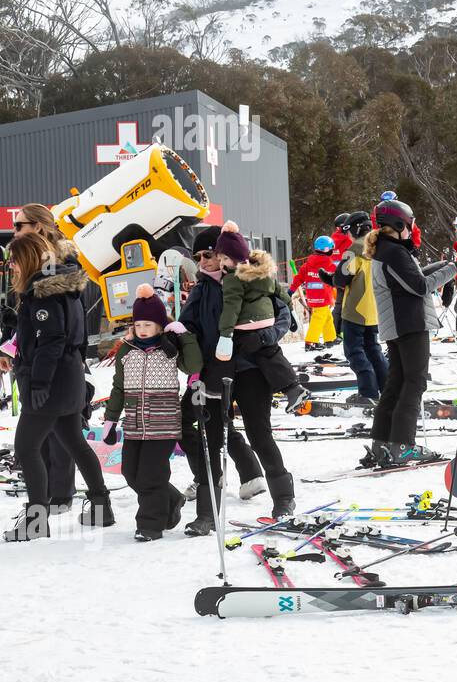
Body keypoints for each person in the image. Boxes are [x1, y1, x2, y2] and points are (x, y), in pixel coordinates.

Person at [1, 235, 116, 541]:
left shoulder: (43, 293)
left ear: (28, 259)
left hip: (51, 382)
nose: (11, 266)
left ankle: (36, 520)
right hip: (69, 377)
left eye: (14, 260)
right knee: (74, 441)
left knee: (27, 448)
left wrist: (38, 382)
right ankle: (101, 505)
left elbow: (50, 340)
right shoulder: (64, 288)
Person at [0, 203, 94, 515]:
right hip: (59, 368)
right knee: (67, 440)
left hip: (54, 370)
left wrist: (39, 376)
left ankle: (48, 506)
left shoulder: (53, 270)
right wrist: (15, 342)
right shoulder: (43, 270)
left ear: (38, 227)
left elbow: (54, 332)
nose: (15, 231)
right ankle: (94, 503)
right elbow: (45, 328)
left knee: (35, 445)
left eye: (20, 225)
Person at [177, 224, 269, 519]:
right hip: (209, 370)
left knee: (216, 425)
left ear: (222, 254)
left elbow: (277, 315)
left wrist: (262, 339)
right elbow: (188, 325)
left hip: (245, 368)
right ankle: (231, 474)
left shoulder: (247, 281)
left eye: (208, 254)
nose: (203, 262)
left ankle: (220, 476)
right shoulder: (201, 290)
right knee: (196, 423)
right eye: (198, 257)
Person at [101, 284, 201, 541]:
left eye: (148, 325)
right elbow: (119, 388)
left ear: (160, 325)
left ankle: (150, 525)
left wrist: (184, 336)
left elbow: (194, 365)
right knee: (131, 473)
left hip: (164, 422)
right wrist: (111, 420)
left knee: (151, 474)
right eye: (138, 325)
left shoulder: (170, 348)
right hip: (135, 423)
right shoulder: (126, 351)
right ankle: (172, 499)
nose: (143, 330)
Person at [368, 199, 439, 463]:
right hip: (410, 324)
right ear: (398, 224)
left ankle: (382, 442)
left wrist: (446, 266)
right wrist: (456, 269)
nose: (411, 230)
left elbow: (415, 277)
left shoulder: (386, 249)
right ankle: (402, 445)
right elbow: (420, 287)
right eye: (409, 225)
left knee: (396, 382)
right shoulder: (395, 252)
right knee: (415, 382)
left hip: (398, 325)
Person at [212, 221, 306, 411]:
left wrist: (225, 335)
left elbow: (232, 307)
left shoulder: (232, 278)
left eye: (225, 259)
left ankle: (229, 397)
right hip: (266, 322)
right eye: (220, 259)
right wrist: (292, 311)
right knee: (269, 354)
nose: (222, 264)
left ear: (236, 258)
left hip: (245, 325)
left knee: (249, 353)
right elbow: (279, 291)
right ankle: (293, 388)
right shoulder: (262, 273)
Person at [333, 211, 389, 402]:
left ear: (354, 230)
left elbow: (341, 277)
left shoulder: (355, 248)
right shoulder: (379, 245)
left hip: (356, 311)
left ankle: (368, 393)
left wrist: (330, 278)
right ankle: (387, 388)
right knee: (373, 349)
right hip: (375, 310)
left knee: (355, 351)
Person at [290, 235, 339, 351]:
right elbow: (338, 277)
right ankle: (311, 342)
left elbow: (298, 278)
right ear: (327, 250)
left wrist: (291, 289)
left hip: (312, 297)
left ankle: (330, 339)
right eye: (331, 248)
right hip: (324, 297)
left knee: (327, 318)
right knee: (318, 320)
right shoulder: (329, 264)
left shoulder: (307, 265)